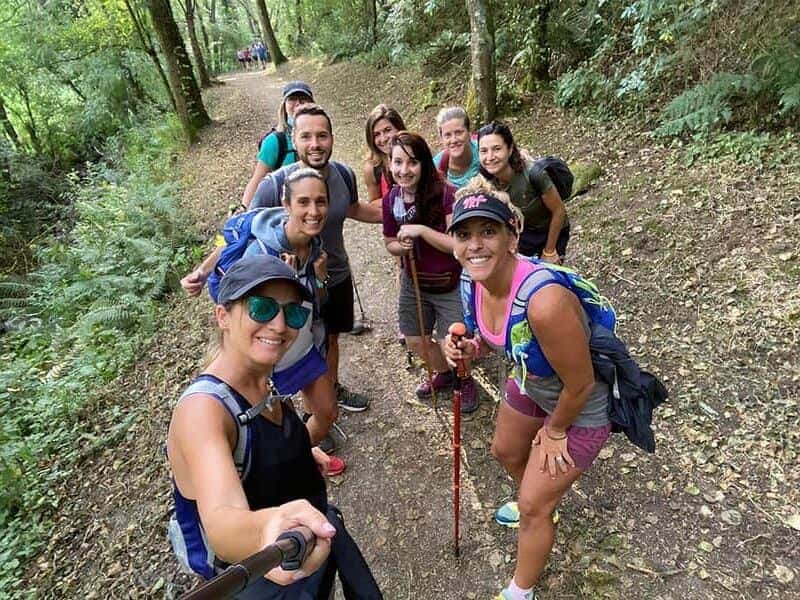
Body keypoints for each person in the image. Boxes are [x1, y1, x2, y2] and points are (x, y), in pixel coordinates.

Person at [168, 255, 382, 598]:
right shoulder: (203, 411)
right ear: (223, 316)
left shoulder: (261, 378)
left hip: (306, 551)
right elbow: (222, 522)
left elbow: (260, 444)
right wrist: (267, 530)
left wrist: (296, 454)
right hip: (263, 579)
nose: (281, 326)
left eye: (293, 313)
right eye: (262, 308)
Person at [443, 183, 613, 600]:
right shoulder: (472, 281)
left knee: (535, 506)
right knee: (505, 450)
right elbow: (494, 338)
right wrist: (469, 348)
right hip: (532, 379)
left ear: (512, 236)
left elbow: (581, 383)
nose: (474, 245)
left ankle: (521, 587)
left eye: (488, 231)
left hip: (580, 404)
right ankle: (536, 497)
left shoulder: (544, 302)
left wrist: (555, 430)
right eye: (464, 234)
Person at [251, 103, 382, 412]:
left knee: (331, 338)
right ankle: (293, 413)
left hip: (335, 274)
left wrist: (405, 215)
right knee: (290, 345)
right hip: (289, 283)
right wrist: (203, 271)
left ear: (332, 138)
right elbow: (244, 229)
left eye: (322, 136)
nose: (315, 144)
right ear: (294, 140)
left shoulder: (343, 175)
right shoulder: (276, 185)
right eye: (306, 136)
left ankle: (330, 393)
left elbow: (354, 209)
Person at [382, 131, 477, 411]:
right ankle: (445, 373)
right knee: (415, 340)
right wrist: (401, 246)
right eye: (398, 162)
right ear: (389, 164)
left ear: (424, 163)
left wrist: (422, 231)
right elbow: (389, 242)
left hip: (449, 282)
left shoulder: (446, 194)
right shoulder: (391, 200)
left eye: (412, 162)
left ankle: (464, 379)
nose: (404, 170)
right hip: (414, 282)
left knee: (455, 342)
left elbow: (456, 245)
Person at [477, 121, 569, 262]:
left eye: (497, 149)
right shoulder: (484, 183)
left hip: (550, 231)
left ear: (510, 149)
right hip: (522, 235)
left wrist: (549, 251)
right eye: (484, 151)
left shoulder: (533, 174)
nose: (490, 157)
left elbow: (559, 210)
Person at [241, 81, 315, 208]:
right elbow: (256, 180)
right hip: (284, 211)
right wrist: (244, 210)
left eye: (303, 99)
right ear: (284, 106)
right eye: (292, 99)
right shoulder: (274, 141)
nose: (298, 103)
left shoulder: (318, 138)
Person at [363, 104, 407, 204]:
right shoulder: (372, 168)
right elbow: (374, 204)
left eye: (387, 130)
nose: (383, 139)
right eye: (376, 134)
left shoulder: (417, 151)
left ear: (399, 128)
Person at [433, 106, 480, 189]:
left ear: (469, 132)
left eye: (459, 133)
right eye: (447, 135)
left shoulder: (484, 151)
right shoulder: (435, 168)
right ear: (441, 139)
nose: (454, 140)